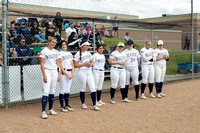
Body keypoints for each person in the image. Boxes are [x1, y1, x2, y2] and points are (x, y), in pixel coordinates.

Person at [74, 41, 100, 111]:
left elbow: (91, 61)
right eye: (86, 45)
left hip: (89, 71)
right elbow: (75, 65)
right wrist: (84, 64)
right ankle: (83, 103)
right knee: (83, 87)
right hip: (82, 71)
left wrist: (91, 64)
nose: (88, 47)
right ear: (82, 46)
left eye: (88, 46)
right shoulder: (78, 54)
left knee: (93, 87)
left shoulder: (88, 53)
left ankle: (94, 104)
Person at [40, 37, 61, 119]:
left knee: (52, 91)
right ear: (48, 42)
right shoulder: (44, 51)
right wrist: (44, 75)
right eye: (52, 42)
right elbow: (42, 64)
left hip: (54, 72)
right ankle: (43, 111)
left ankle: (50, 109)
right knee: (46, 91)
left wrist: (59, 74)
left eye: (55, 42)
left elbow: (58, 63)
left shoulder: (56, 52)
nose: (54, 43)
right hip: (47, 71)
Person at [59, 40, 75, 112]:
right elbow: (60, 65)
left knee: (67, 90)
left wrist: (72, 73)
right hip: (64, 73)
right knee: (63, 90)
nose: (64, 46)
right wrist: (66, 74)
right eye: (62, 45)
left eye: (65, 44)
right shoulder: (59, 54)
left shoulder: (69, 53)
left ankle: (67, 104)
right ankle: (62, 106)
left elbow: (72, 64)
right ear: (60, 46)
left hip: (70, 72)